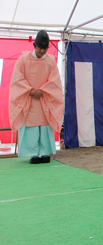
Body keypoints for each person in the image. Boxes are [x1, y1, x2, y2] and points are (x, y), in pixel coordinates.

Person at [9, 30, 64, 164]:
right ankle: (33, 154)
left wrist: (43, 90)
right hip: (29, 99)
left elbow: (54, 80)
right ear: (35, 46)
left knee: (45, 126)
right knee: (31, 126)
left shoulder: (50, 61)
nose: (42, 52)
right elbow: (17, 78)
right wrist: (30, 90)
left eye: (45, 49)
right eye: (40, 48)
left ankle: (45, 152)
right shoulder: (23, 59)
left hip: (44, 98)